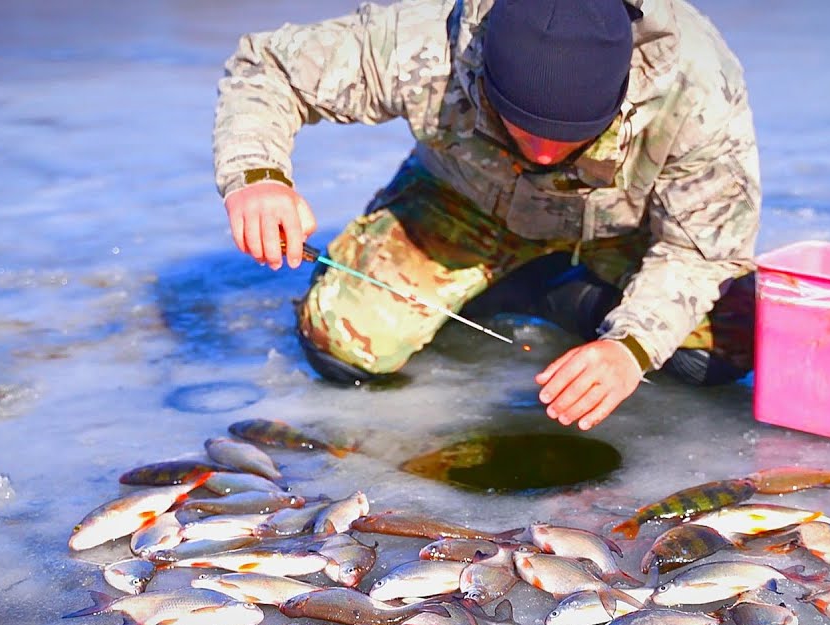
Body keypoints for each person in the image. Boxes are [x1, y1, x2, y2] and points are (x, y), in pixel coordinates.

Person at [214, 0, 759, 431]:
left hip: (623, 227)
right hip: (465, 204)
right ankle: (500, 280)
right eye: (523, 127)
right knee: (345, 344)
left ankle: (562, 292)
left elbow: (699, 248)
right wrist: (258, 177)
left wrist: (630, 348)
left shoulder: (696, 85)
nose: (544, 155)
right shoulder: (433, 42)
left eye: (571, 137)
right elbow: (271, 66)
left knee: (727, 343)